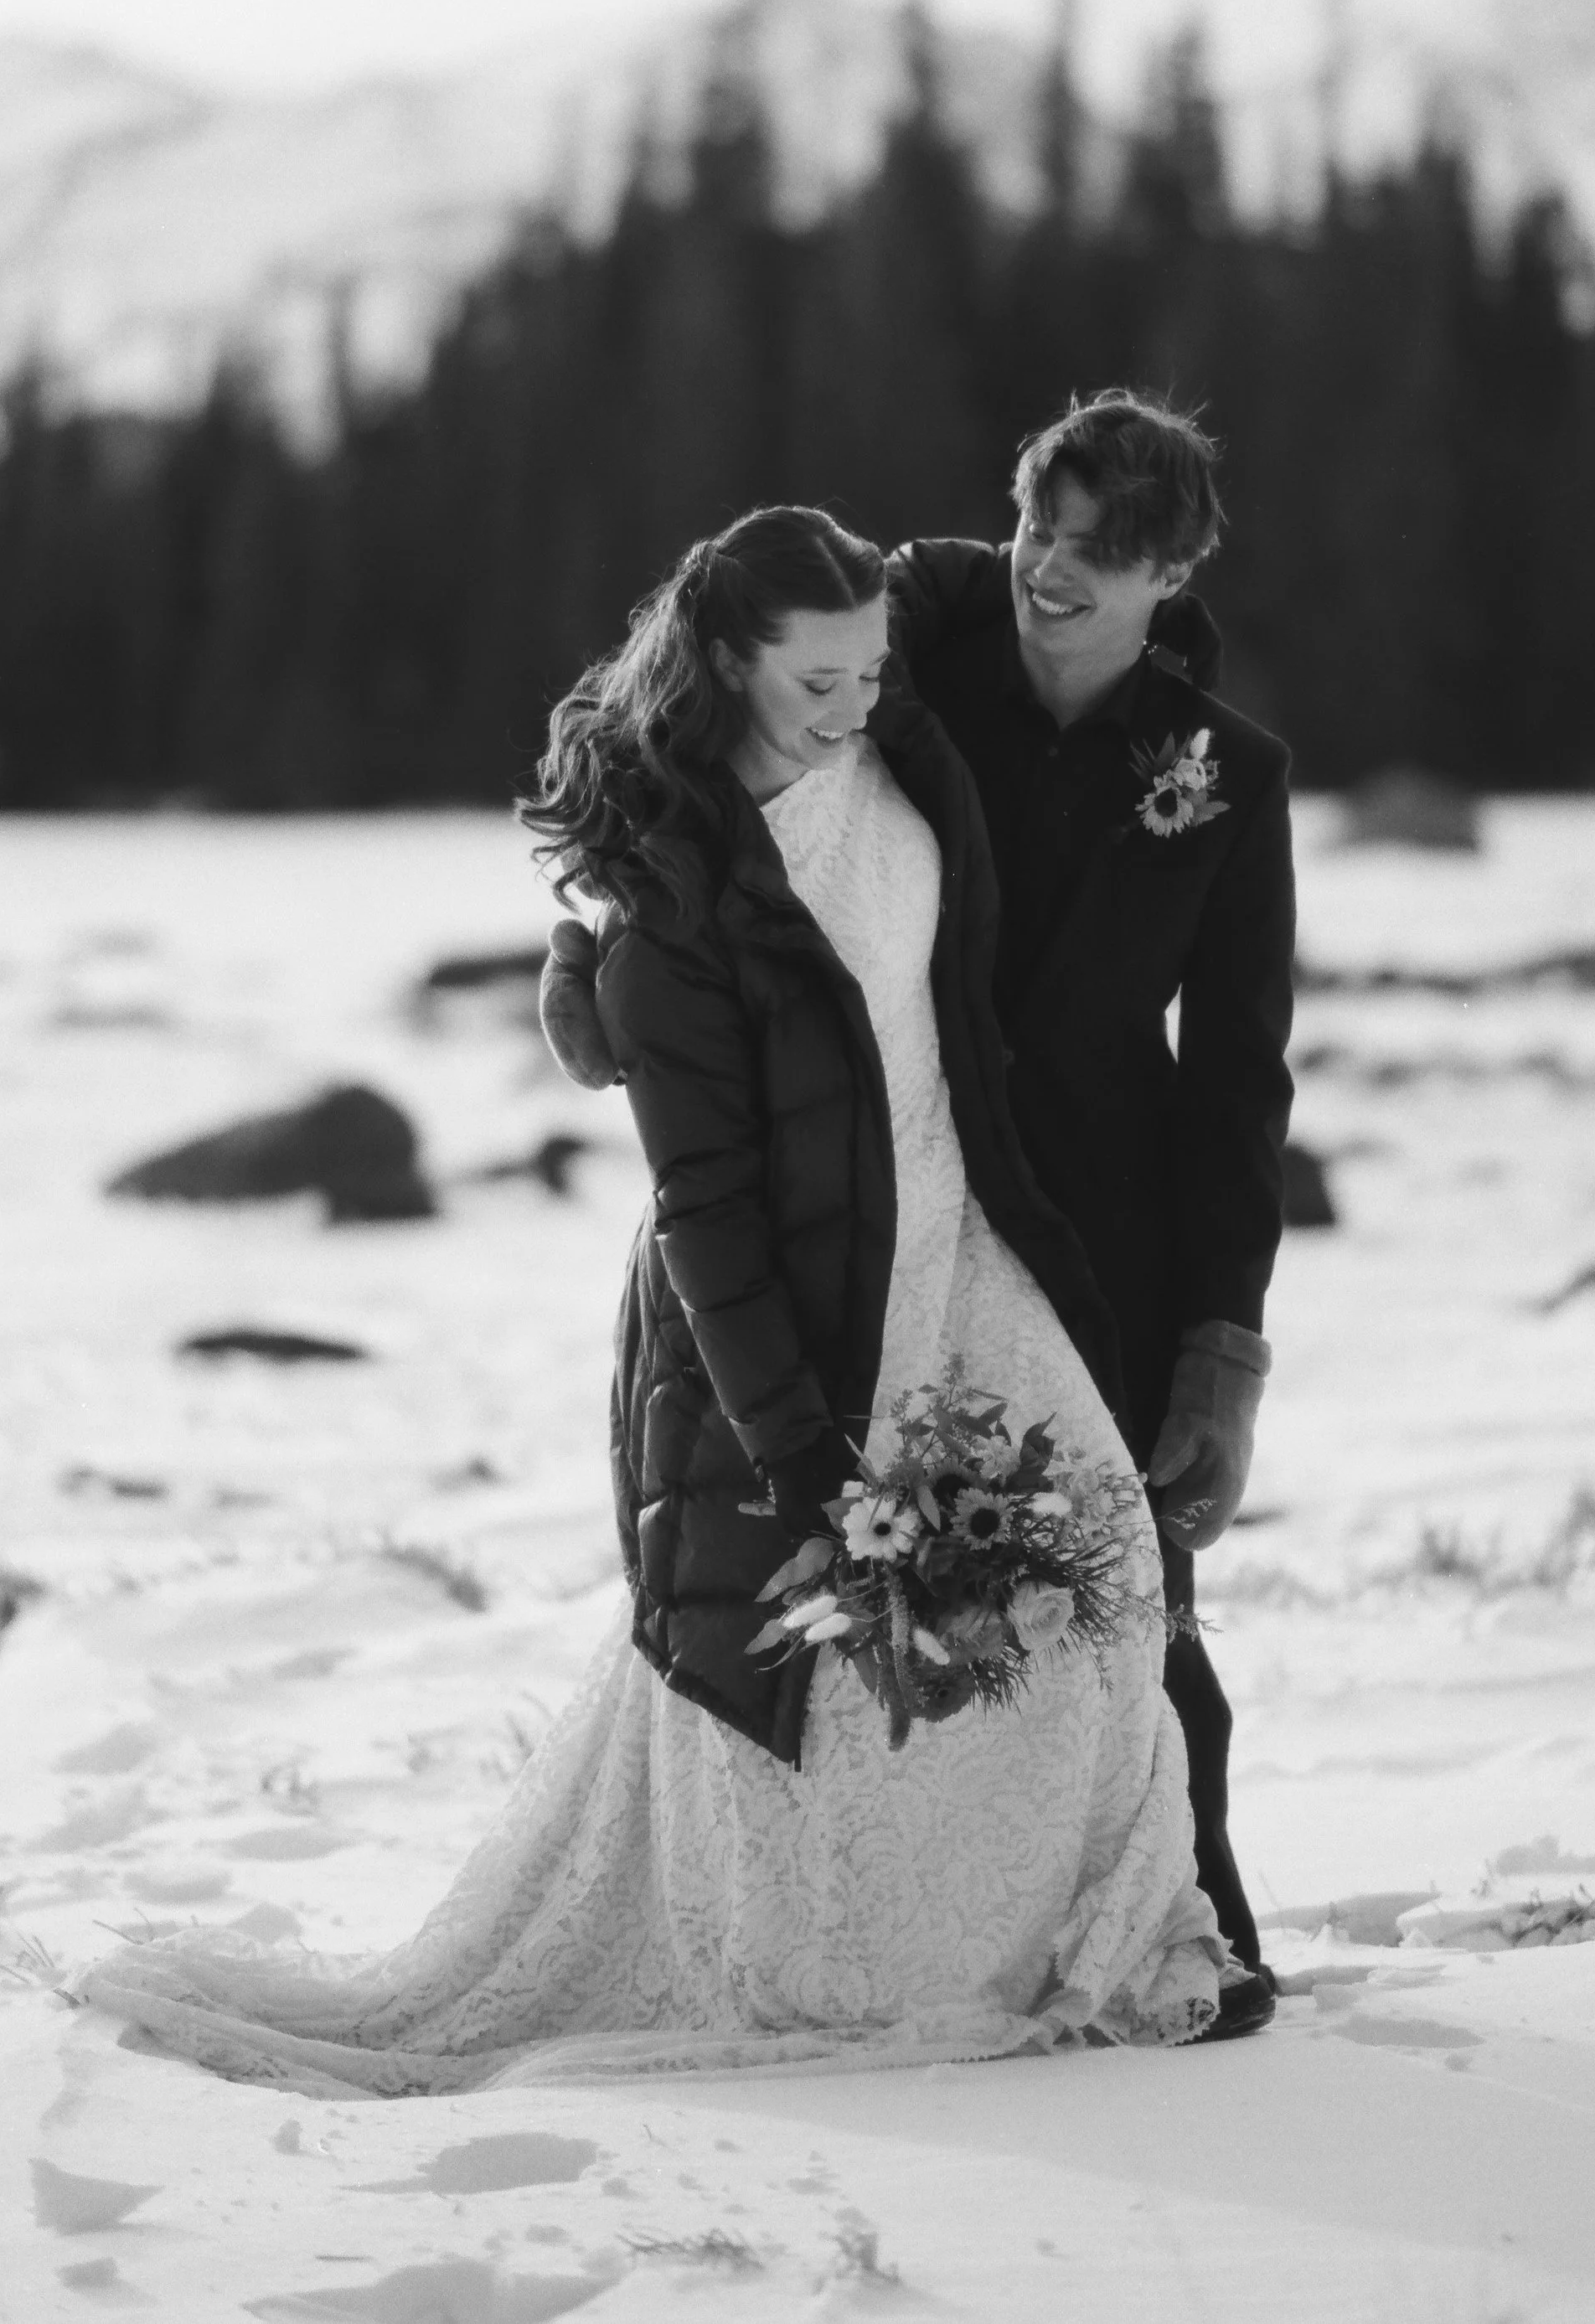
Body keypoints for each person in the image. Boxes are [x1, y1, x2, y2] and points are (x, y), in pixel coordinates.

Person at [80, 506, 1232, 2094]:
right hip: (801, 1306)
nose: (859, 705)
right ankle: (828, 1963)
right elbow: (711, 1219)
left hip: (961, 1239)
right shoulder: (675, 909)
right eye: (820, 682)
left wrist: (1153, 627)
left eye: (873, 670)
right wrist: (799, 1455)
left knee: (1101, 1582)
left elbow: (1044, 582)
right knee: (802, 1668)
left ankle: (1106, 1935)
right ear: (730, 662)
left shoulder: (885, 689)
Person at [544, 395, 1295, 1985]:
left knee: (1132, 1608)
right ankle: (895, 1947)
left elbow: (1240, 1084)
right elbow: (696, 680)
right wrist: (592, 952)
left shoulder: (1226, 774)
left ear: (1174, 567)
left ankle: (1189, 1933)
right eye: (1040, 531)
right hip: (857, 1185)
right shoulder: (925, 620)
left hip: (1100, 1225)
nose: (1053, 573)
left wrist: (1225, 1344)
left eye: (1100, 553)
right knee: (860, 1618)